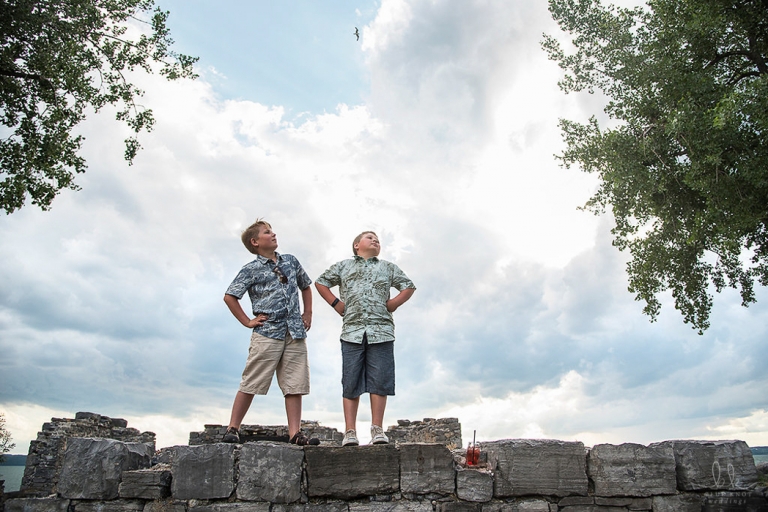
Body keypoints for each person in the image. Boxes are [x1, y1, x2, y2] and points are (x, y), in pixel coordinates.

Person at [222, 219, 319, 446]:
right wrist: (247, 320)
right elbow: (230, 296)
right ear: (255, 242)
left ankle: (295, 433)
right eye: (267, 232)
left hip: (294, 332)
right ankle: (233, 428)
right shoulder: (250, 269)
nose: (273, 234)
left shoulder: (291, 261)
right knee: (252, 380)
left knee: (294, 384)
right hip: (267, 332)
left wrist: (308, 313)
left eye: (273, 231)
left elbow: (306, 286)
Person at [315, 231, 416, 446]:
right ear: (356, 245)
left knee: (380, 379)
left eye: (377, 238)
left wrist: (394, 303)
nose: (374, 240)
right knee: (351, 379)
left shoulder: (388, 267)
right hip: (352, 331)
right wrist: (336, 304)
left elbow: (408, 286)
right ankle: (350, 431)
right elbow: (321, 282)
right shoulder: (343, 266)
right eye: (369, 237)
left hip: (382, 331)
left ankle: (377, 429)